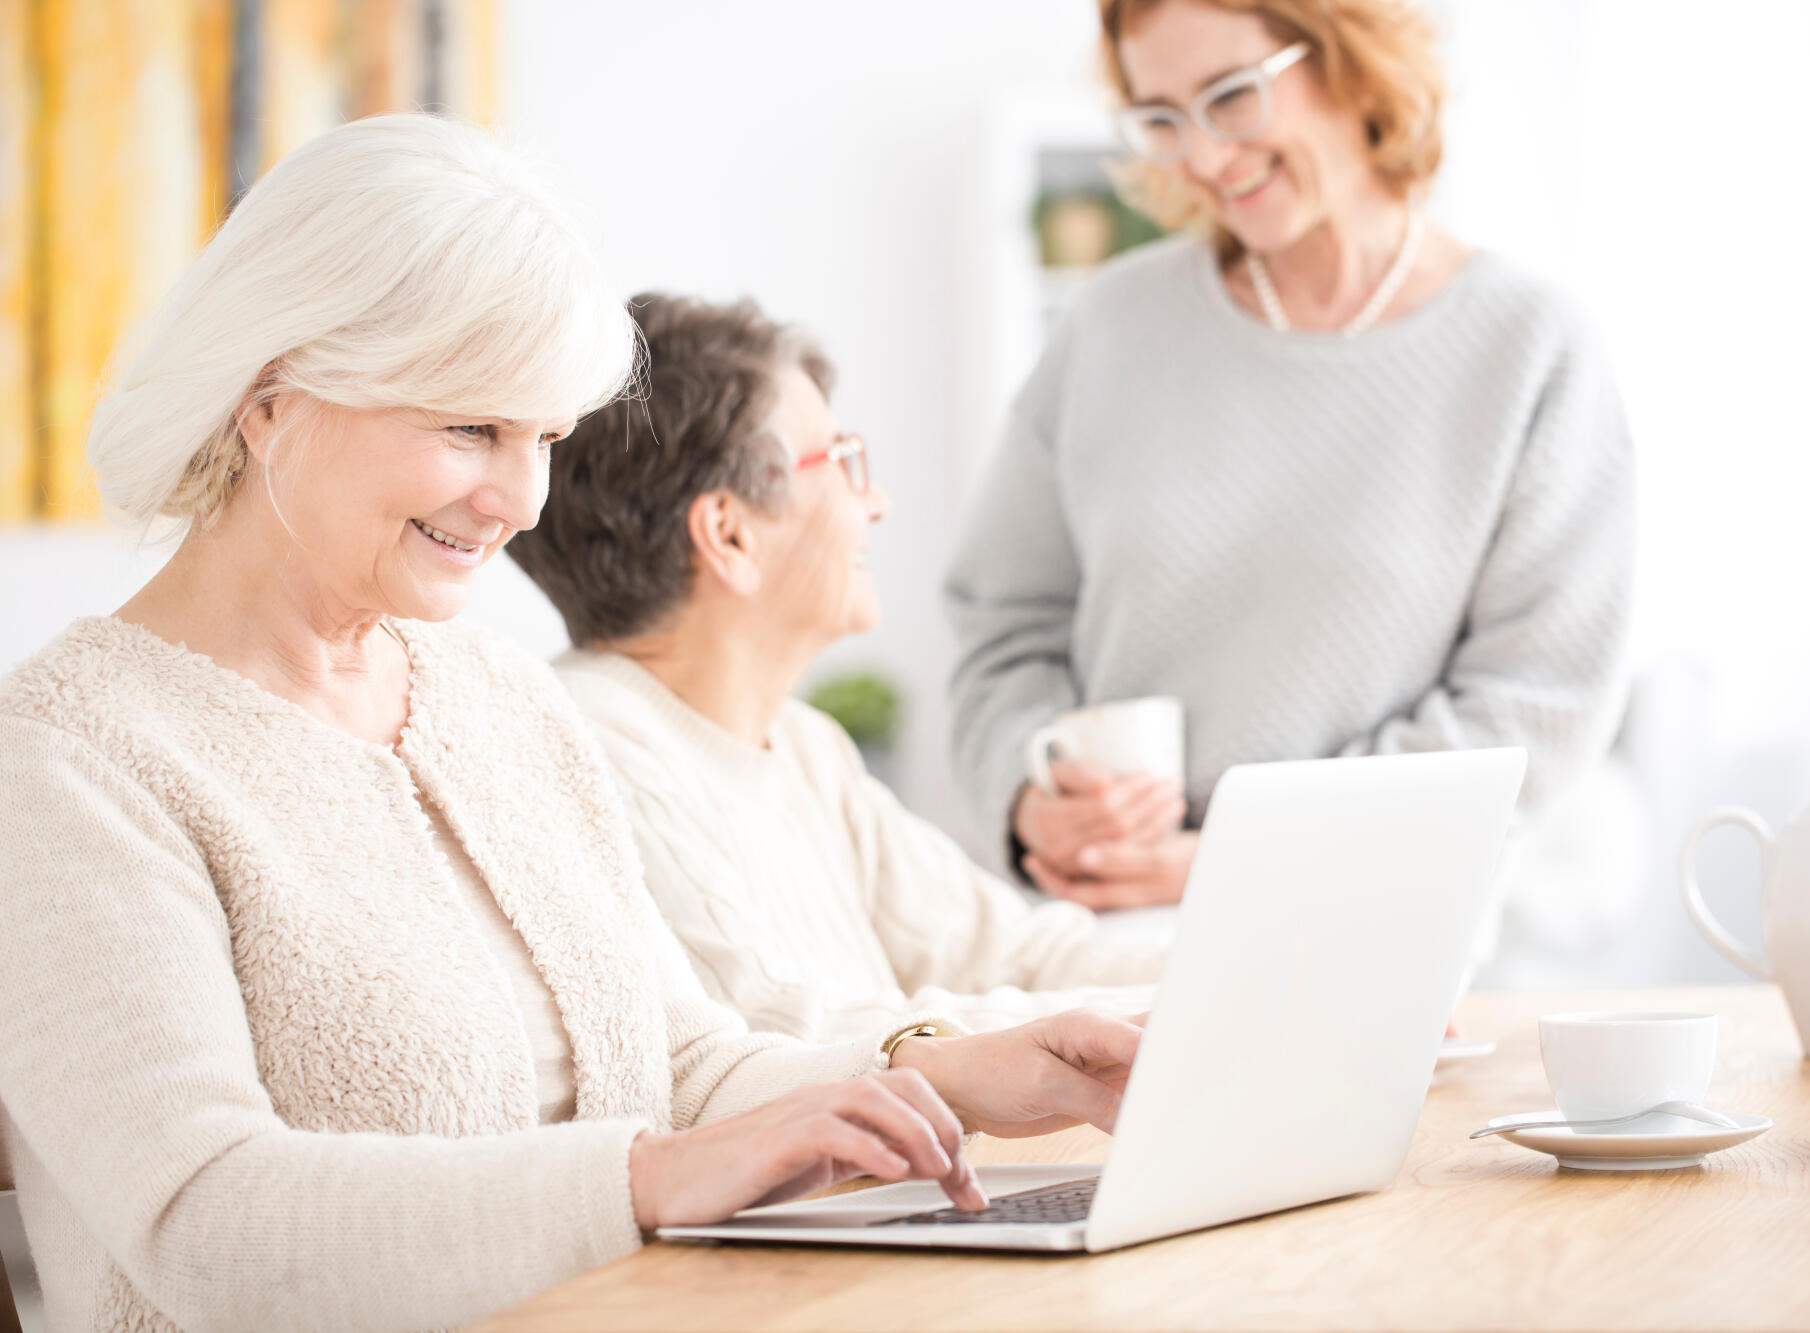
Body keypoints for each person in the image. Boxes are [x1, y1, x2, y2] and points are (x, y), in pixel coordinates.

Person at [0, 115, 1142, 1333]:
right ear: (271, 399)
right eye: (467, 427)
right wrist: (644, 1181)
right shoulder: (75, 757)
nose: (517, 498)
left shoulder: (497, 697)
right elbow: (204, 1222)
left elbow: (683, 1063)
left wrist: (950, 1071)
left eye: (541, 435)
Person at [945, 0, 1634, 909]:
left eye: (1230, 97)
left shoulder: (1529, 350)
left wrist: (1247, 853)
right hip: (1106, 948)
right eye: (1161, 118)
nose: (1201, 155)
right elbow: (1003, 632)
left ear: (1354, 57)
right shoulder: (1114, 328)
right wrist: (1033, 794)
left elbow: (1533, 706)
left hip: (1379, 933)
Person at [506, 293, 1164, 1043]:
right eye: (845, 462)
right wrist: (1153, 1016)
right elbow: (791, 1038)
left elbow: (1012, 952)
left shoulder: (806, 746)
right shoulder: (590, 751)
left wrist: (1216, 972)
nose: (876, 501)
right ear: (730, 533)